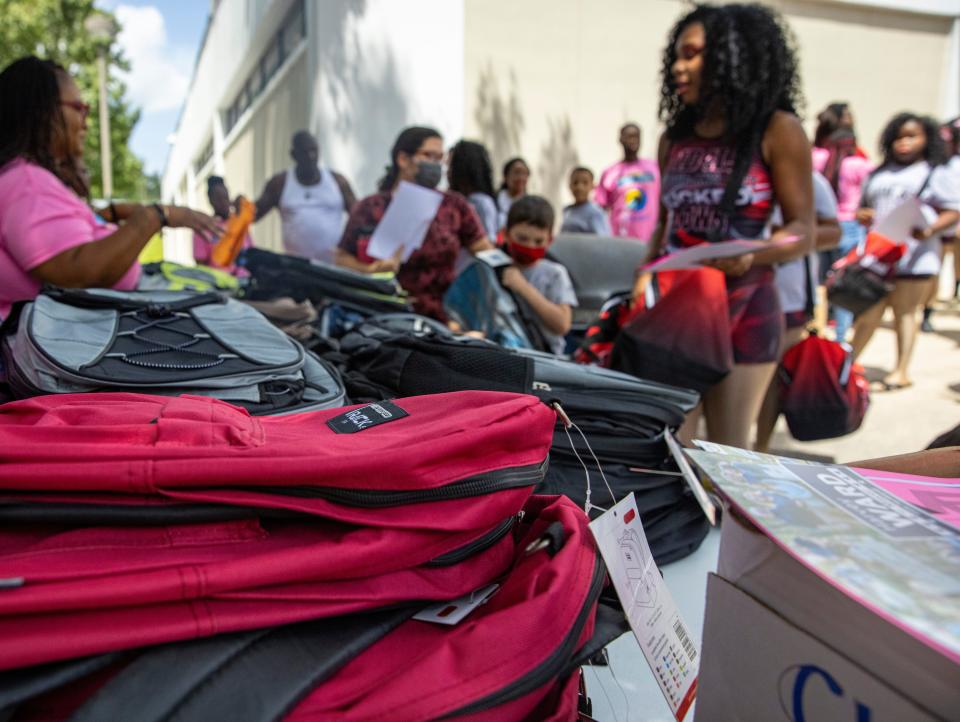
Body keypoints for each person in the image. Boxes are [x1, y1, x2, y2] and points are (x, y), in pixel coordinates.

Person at [639, 3, 815, 449]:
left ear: (732, 56)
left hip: (746, 306)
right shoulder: (673, 138)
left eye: (693, 54)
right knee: (670, 447)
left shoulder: (777, 130)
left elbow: (803, 229)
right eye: (677, 55)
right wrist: (641, 278)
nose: (680, 67)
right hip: (679, 308)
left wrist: (753, 253)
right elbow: (664, 223)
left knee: (728, 454)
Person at [0, 56, 219, 322]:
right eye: (79, 107)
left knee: (266, 311)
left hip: (108, 323)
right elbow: (78, 275)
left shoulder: (27, 179)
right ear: (42, 111)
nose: (86, 122)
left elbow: (72, 238)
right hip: (87, 341)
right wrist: (155, 216)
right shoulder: (28, 183)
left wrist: (115, 212)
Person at [335, 126, 494, 321]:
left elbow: (484, 251)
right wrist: (370, 270)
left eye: (440, 158)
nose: (436, 164)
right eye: (429, 155)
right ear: (403, 159)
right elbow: (341, 257)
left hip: (444, 320)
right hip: (382, 316)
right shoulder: (371, 208)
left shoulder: (454, 206)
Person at [851, 113, 960, 390]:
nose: (904, 143)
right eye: (899, 136)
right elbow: (865, 207)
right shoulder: (878, 172)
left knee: (905, 312)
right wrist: (863, 215)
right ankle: (847, 365)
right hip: (878, 255)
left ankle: (901, 370)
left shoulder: (936, 171)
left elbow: (953, 210)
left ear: (927, 140)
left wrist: (930, 229)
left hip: (915, 256)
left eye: (912, 136)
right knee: (868, 314)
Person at [754, 171, 841, 452]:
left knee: (772, 380)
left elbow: (833, 232)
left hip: (787, 295)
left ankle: (759, 449)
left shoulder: (809, 180)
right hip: (728, 293)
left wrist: (786, 239)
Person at [812, 102, 873, 342]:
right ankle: (840, 341)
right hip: (850, 227)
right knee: (844, 286)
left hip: (820, 226)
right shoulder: (860, 164)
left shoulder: (814, 157)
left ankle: (816, 335)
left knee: (819, 284)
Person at [254, 130, 356, 264]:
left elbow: (358, 216)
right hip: (297, 270)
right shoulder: (280, 183)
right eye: (305, 152)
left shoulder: (337, 181)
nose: (311, 156)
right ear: (294, 155)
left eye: (314, 151)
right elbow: (252, 214)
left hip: (334, 269)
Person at [500, 196, 578, 355]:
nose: (530, 246)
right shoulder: (496, 269)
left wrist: (523, 287)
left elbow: (562, 325)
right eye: (522, 238)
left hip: (544, 360)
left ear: (549, 240)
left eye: (538, 241)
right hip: (504, 356)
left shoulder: (555, 274)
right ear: (506, 234)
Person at [919, 120, 960, 330]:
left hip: (951, 226)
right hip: (940, 229)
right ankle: (927, 310)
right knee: (934, 271)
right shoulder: (939, 166)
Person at [595, 123, 661, 242]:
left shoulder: (655, 168)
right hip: (621, 241)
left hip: (650, 241)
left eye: (636, 136)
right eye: (629, 137)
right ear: (620, 140)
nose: (633, 140)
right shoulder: (610, 173)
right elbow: (600, 210)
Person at [193, 175, 253, 272]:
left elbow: (251, 253)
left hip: (246, 281)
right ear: (210, 200)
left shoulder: (239, 222)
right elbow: (201, 268)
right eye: (218, 198)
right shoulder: (203, 227)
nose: (223, 202)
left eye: (225, 197)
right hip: (220, 284)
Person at [447, 140, 498, 239]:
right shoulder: (456, 199)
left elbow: (488, 240)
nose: (448, 172)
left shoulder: (480, 202)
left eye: (451, 166)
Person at [560, 167, 611, 235]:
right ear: (570, 185)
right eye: (575, 183)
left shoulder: (596, 213)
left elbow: (602, 241)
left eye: (585, 183)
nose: (579, 187)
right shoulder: (567, 211)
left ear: (593, 186)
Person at [496, 157, 529, 231]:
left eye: (524, 174)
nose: (521, 178)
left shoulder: (531, 206)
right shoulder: (493, 200)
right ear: (505, 176)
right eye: (517, 172)